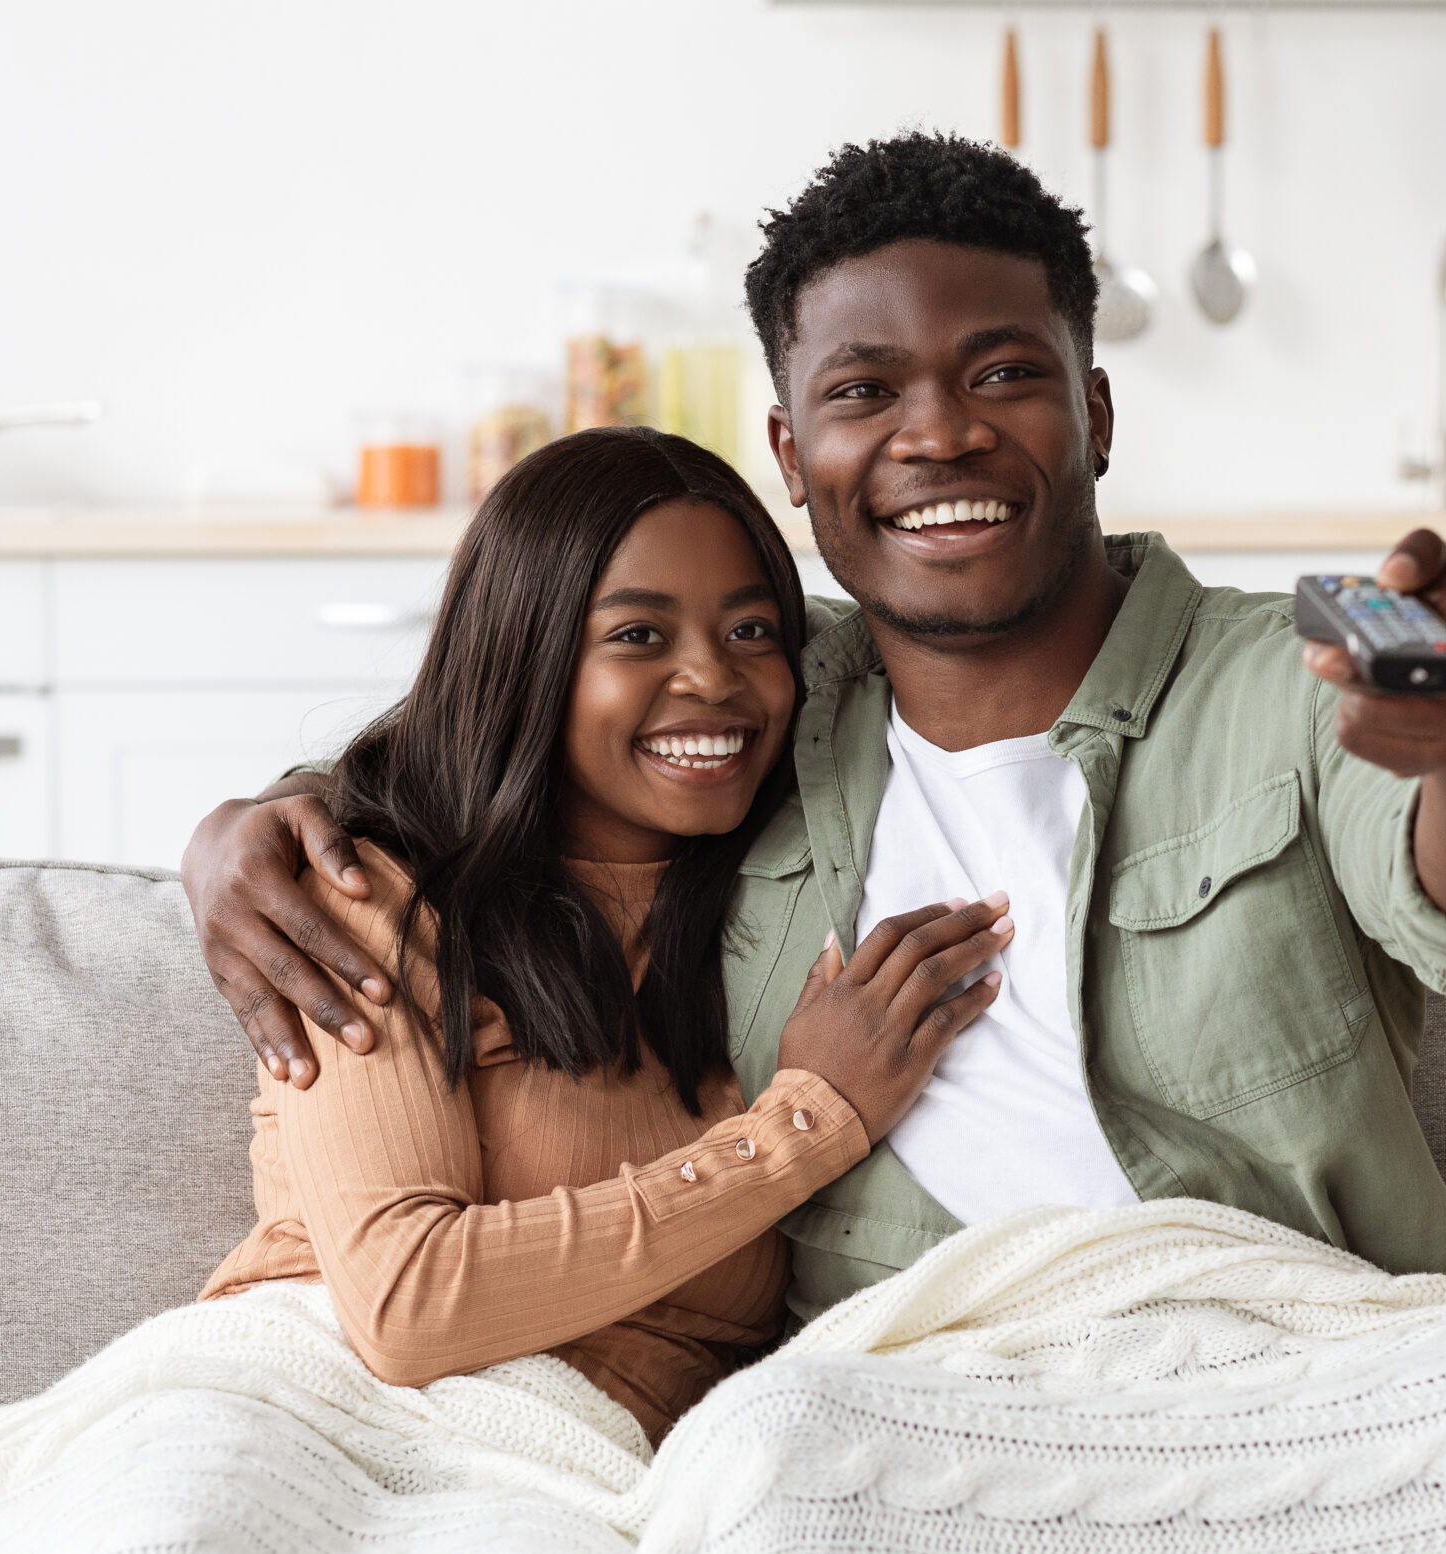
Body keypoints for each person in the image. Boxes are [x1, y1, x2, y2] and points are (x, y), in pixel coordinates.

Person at [183, 133, 1446, 1326]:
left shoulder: (1307, 648)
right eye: (863, 392)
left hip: (1295, 1351)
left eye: (1003, 373)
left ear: (1097, 408)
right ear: (792, 459)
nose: (937, 432)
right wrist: (243, 835)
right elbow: (494, 736)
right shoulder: (760, 695)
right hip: (905, 1388)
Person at [197, 425, 1011, 1444]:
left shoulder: (783, 896)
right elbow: (407, 1307)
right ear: (524, 655)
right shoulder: (372, 897)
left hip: (612, 1471)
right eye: (638, 635)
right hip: (318, 1426)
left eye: (753, 631)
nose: (713, 678)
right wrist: (803, 1125)